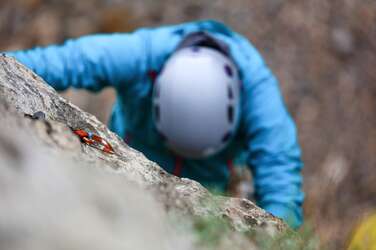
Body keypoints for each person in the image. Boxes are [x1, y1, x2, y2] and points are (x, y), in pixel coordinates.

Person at [4, 20, 304, 229]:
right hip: (128, 160)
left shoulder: (260, 99)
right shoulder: (140, 55)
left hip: (210, 187)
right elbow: (66, 62)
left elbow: (282, 182)